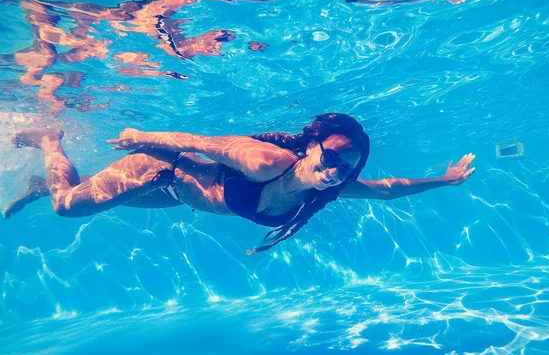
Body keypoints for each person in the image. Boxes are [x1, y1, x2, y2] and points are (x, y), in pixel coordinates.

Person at [5, 113, 475, 254]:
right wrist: (141, 137)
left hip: (179, 199)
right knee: (70, 207)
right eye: (331, 156)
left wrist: (445, 180)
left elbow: (388, 189)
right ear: (311, 147)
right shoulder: (266, 161)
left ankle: (38, 184)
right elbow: (200, 141)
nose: (336, 170)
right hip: (162, 169)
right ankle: (50, 141)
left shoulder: (325, 188)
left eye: (347, 166)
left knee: (104, 199)